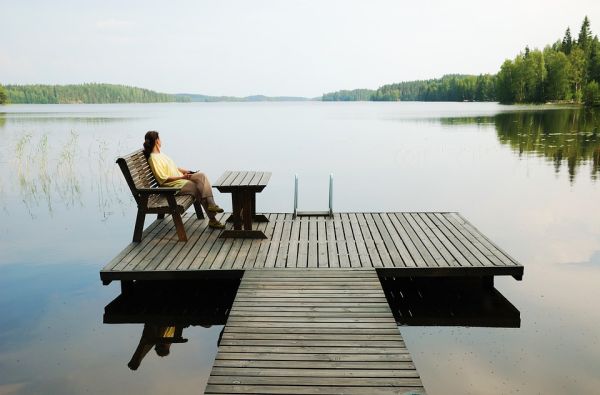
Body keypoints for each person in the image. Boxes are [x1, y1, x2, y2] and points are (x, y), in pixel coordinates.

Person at [143, 131, 224, 229]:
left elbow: (174, 168)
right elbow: (163, 179)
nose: (161, 140)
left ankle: (212, 204)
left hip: (181, 180)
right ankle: (213, 220)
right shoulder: (153, 159)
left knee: (202, 176)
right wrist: (182, 177)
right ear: (156, 141)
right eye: (160, 138)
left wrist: (187, 171)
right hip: (173, 186)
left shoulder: (161, 154)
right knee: (198, 188)